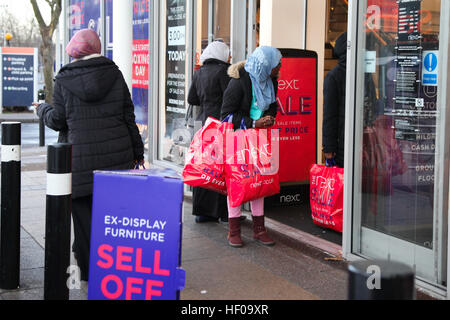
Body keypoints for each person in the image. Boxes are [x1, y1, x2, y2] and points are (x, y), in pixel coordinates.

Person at [34, 29, 144, 281]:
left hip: (80, 160)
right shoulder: (114, 73)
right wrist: (137, 152)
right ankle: (114, 264)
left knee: (83, 219)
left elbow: (58, 120)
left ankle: (87, 269)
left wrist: (42, 109)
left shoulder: (64, 79)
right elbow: (128, 116)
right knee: (112, 216)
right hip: (117, 159)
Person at [221, 46, 282, 247]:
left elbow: (272, 105)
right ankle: (234, 231)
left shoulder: (271, 81)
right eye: (277, 64)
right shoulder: (239, 82)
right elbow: (226, 116)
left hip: (260, 139)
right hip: (239, 139)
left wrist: (270, 117)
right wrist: (254, 122)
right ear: (265, 65)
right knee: (238, 182)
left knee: (259, 182)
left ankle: (259, 229)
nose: (279, 67)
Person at [187, 41, 234, 224]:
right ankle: (221, 212)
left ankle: (202, 212)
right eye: (227, 54)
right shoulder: (224, 72)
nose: (229, 57)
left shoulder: (199, 72)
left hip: (202, 124)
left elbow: (192, 98)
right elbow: (229, 98)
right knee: (220, 169)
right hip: (219, 124)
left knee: (204, 168)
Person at [323, 32, 347, 168]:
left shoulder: (362, 74)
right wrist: (329, 148)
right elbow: (329, 115)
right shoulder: (334, 76)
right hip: (340, 144)